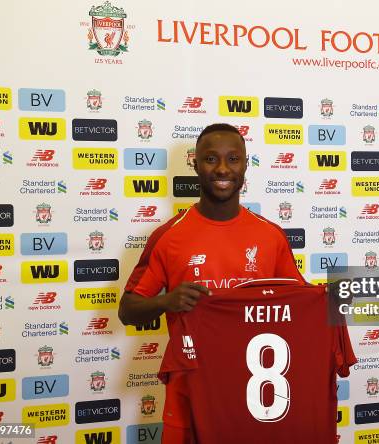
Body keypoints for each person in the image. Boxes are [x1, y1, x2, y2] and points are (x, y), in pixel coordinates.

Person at [118, 123, 305, 444]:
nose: (222, 169)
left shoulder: (270, 235)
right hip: (191, 392)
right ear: (194, 164)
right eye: (210, 159)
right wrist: (165, 301)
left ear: (246, 165)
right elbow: (127, 311)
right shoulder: (169, 235)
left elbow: (302, 305)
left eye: (233, 159)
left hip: (257, 391)